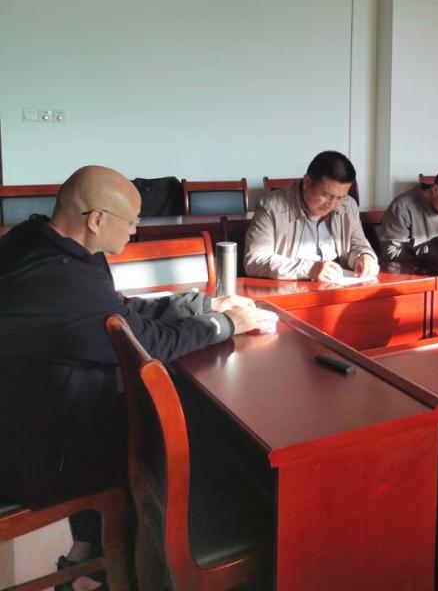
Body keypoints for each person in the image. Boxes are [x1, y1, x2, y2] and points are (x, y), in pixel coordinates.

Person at [0, 166, 275, 581]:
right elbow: (148, 344)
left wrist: (202, 305)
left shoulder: (39, 241)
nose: (135, 230)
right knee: (177, 438)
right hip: (34, 454)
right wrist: (228, 325)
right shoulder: (58, 278)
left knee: (163, 413)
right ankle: (149, 568)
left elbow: (119, 311)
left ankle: (87, 551)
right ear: (96, 219)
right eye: (131, 221)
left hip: (38, 412)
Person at [245, 150, 378, 282]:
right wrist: (309, 269)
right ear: (307, 182)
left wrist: (364, 256)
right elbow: (255, 261)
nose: (332, 204)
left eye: (340, 197)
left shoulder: (348, 205)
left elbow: (358, 243)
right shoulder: (271, 207)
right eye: (326, 195)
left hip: (338, 287)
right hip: (294, 288)